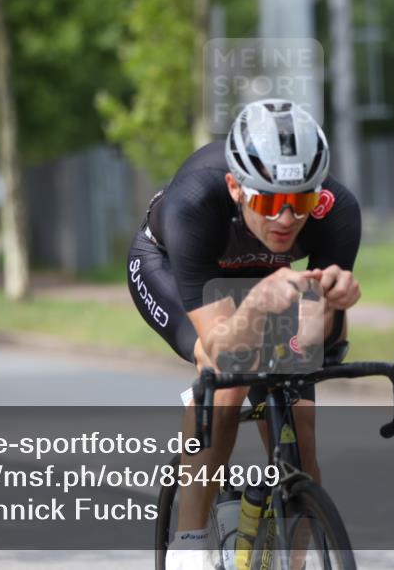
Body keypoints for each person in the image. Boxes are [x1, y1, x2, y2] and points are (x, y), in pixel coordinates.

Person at [126, 99, 362, 569]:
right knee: (225, 379)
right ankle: (190, 543)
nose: (286, 219)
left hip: (266, 281)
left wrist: (331, 307)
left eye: (301, 201)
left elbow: (310, 346)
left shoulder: (337, 213)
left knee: (302, 411)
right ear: (236, 186)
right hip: (172, 268)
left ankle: (297, 552)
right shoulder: (193, 203)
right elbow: (218, 343)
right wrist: (253, 305)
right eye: (270, 201)